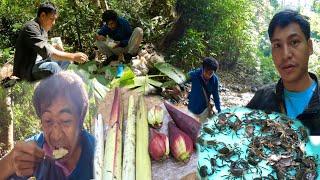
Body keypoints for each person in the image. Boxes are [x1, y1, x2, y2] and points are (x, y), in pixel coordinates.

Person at [0, 71, 95, 179]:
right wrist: (9, 163)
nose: (56, 135)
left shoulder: (99, 154)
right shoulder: (33, 150)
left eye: (65, 120)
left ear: (80, 119)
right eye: (48, 121)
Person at [247, 10, 320, 135]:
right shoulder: (261, 100)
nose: (285, 55)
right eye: (277, 45)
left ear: (309, 47)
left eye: (294, 42)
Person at [13, 2, 88, 82]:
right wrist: (73, 56)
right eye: (51, 19)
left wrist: (53, 46)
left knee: (65, 60)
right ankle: (64, 84)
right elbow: (47, 51)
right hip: (27, 69)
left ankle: (61, 79)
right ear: (42, 15)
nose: (54, 23)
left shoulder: (42, 29)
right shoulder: (31, 27)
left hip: (40, 62)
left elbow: (42, 47)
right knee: (53, 66)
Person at [173, 57, 221, 122]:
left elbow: (216, 96)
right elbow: (181, 80)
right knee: (189, 125)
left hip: (204, 109)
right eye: (206, 72)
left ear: (214, 72)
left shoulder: (215, 80)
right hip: (192, 106)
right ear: (203, 68)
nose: (208, 75)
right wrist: (177, 86)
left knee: (201, 128)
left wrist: (219, 111)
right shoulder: (194, 74)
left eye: (211, 73)